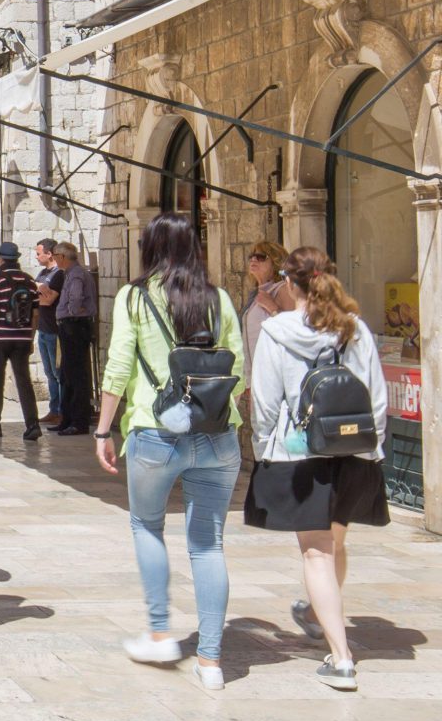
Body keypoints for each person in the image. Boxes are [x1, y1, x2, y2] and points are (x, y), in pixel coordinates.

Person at [94, 211, 245, 692]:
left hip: (154, 430)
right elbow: (237, 366)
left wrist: (102, 430)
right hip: (218, 435)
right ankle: (212, 661)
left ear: (151, 248)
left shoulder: (135, 298)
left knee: (146, 524)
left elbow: (118, 365)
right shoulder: (218, 300)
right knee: (209, 544)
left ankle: (160, 631)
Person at [245, 247, 389, 692]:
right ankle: (314, 611)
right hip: (353, 452)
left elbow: (267, 401)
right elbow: (376, 397)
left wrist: (263, 448)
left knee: (317, 552)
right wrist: (372, 447)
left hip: (301, 453)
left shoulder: (277, 331)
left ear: (289, 283)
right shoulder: (355, 328)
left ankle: (341, 657)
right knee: (335, 545)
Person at [0, 242, 43, 442]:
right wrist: (30, 338)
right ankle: (33, 425)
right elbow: (36, 314)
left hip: (0, 338)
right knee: (24, 381)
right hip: (22, 338)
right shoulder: (30, 281)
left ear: (0, 259)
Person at [52, 244, 98, 435]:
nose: (54, 259)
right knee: (67, 374)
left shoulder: (77, 274)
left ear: (62, 256)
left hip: (75, 326)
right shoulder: (70, 273)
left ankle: (79, 421)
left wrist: (71, 312)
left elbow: (76, 297)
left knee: (76, 374)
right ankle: (68, 418)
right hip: (70, 326)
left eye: (55, 255)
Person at [242, 240, 292, 360]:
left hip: (274, 368)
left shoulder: (283, 289)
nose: (253, 260)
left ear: (275, 262)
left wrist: (273, 308)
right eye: (252, 257)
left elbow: (294, 329)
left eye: (260, 257)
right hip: (255, 372)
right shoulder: (255, 294)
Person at [33, 239, 64, 423]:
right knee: (49, 372)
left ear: (49, 253)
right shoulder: (42, 274)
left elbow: (47, 300)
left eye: (39, 253)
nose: (37, 257)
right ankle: (54, 409)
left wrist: (38, 294)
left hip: (54, 329)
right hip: (43, 329)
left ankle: (61, 409)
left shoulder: (58, 274)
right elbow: (34, 296)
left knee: (57, 372)